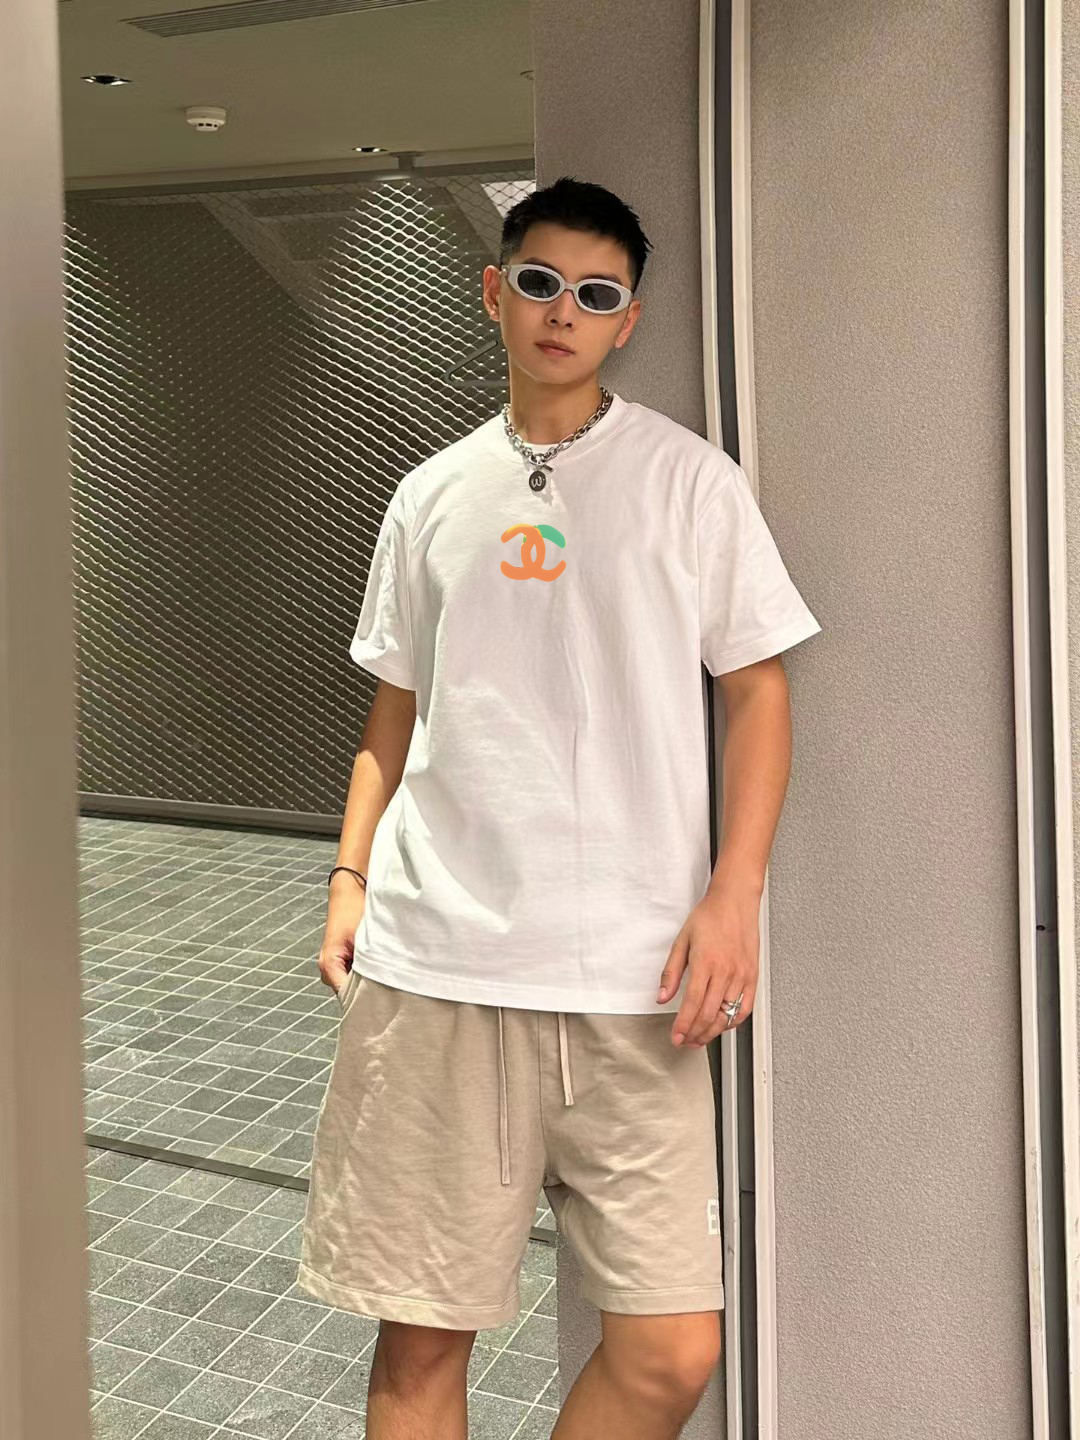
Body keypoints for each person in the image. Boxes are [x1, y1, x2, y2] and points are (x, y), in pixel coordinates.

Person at [296, 175, 822, 1439]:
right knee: (420, 1347)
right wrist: (349, 878)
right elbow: (394, 709)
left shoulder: (690, 483)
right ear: (495, 292)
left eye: (595, 294)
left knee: (670, 1352)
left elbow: (758, 693)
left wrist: (735, 895)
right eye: (538, 283)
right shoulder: (429, 493)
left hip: (636, 982)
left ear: (627, 321)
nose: (561, 312)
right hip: (440, 965)